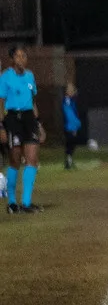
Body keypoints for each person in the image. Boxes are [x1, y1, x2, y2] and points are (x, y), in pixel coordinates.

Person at [3, 45, 43, 215]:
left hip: (29, 119)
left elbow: (33, 101)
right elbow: (0, 102)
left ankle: (26, 202)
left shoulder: (30, 76)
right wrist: (1, 126)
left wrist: (39, 123)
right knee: (15, 160)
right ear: (12, 59)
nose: (21, 59)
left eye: (23, 56)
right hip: (13, 119)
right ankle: (12, 202)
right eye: (18, 56)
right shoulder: (5, 77)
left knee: (32, 159)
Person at [61, 83, 89, 168]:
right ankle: (68, 161)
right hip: (70, 126)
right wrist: (75, 124)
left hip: (72, 126)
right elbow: (69, 114)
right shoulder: (67, 101)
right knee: (70, 144)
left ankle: (69, 160)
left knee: (72, 144)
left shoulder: (71, 101)